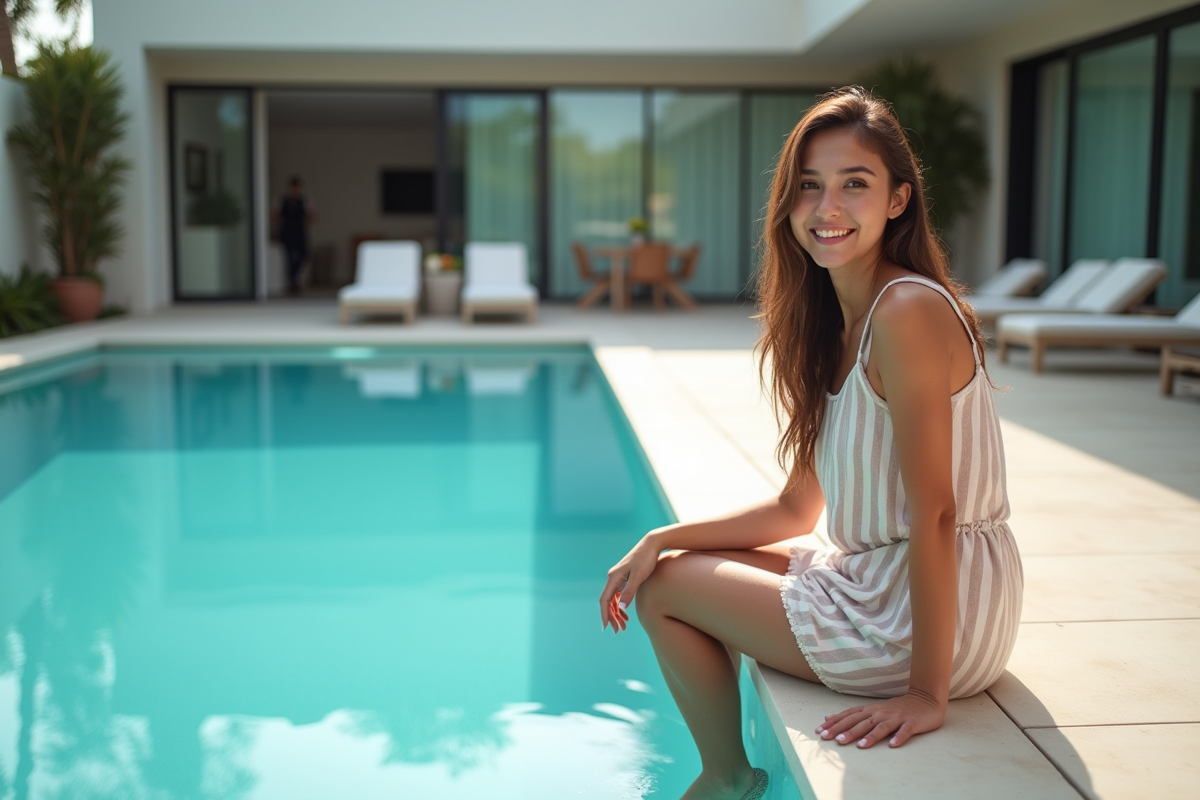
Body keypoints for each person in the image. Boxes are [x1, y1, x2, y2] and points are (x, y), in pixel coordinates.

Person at [599, 86, 1022, 800]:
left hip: (930, 618)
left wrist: (926, 692)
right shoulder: (835, 326)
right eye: (808, 186)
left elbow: (938, 514)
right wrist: (660, 535)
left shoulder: (907, 310)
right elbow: (798, 508)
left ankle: (729, 777)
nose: (826, 209)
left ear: (898, 201)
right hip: (888, 583)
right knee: (675, 562)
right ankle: (731, 770)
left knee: (668, 592)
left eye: (854, 185)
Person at [274, 176, 314, 295]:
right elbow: (274, 214)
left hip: (300, 231)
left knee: (304, 255)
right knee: (287, 257)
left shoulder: (305, 200)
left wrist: (304, 223)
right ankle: (292, 283)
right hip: (286, 232)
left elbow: (312, 215)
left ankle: (294, 280)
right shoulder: (281, 200)